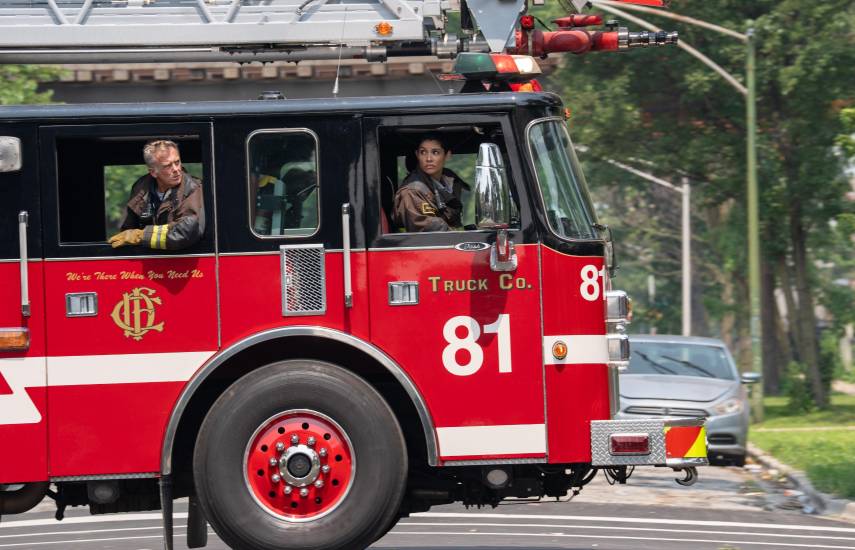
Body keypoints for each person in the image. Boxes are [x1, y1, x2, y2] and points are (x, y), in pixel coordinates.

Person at [108, 140, 205, 250]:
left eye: (177, 162)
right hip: (148, 262)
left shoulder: (193, 188)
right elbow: (127, 231)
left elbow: (187, 231)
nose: (176, 169)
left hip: (183, 262)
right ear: (153, 172)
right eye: (168, 166)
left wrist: (141, 235)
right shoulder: (141, 188)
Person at [392, 134, 469, 232]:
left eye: (435, 152)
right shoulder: (411, 191)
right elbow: (431, 233)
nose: (428, 159)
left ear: (447, 155)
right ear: (417, 155)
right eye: (423, 152)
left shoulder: (450, 181)